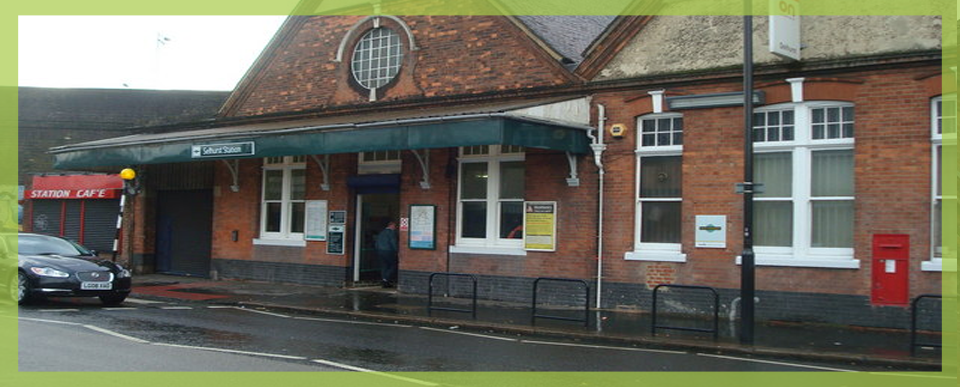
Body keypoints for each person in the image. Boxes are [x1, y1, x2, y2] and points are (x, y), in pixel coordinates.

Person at [374, 220, 399, 288]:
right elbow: (393, 242)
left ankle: (385, 281)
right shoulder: (391, 233)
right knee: (393, 265)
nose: (395, 227)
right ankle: (386, 279)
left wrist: (378, 250)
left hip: (380, 251)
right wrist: (397, 251)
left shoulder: (381, 232)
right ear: (391, 225)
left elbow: (376, 243)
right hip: (389, 251)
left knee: (384, 266)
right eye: (395, 226)